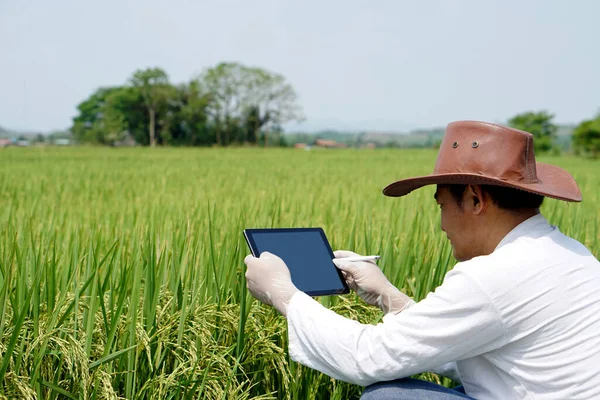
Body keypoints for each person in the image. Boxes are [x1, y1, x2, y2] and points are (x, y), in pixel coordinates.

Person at [244, 120, 600, 399]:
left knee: (389, 396)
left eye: (442, 205)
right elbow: (472, 355)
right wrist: (391, 299)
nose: (442, 224)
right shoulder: (569, 254)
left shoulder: (491, 276)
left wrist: (284, 294)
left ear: (475, 200)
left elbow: (365, 358)